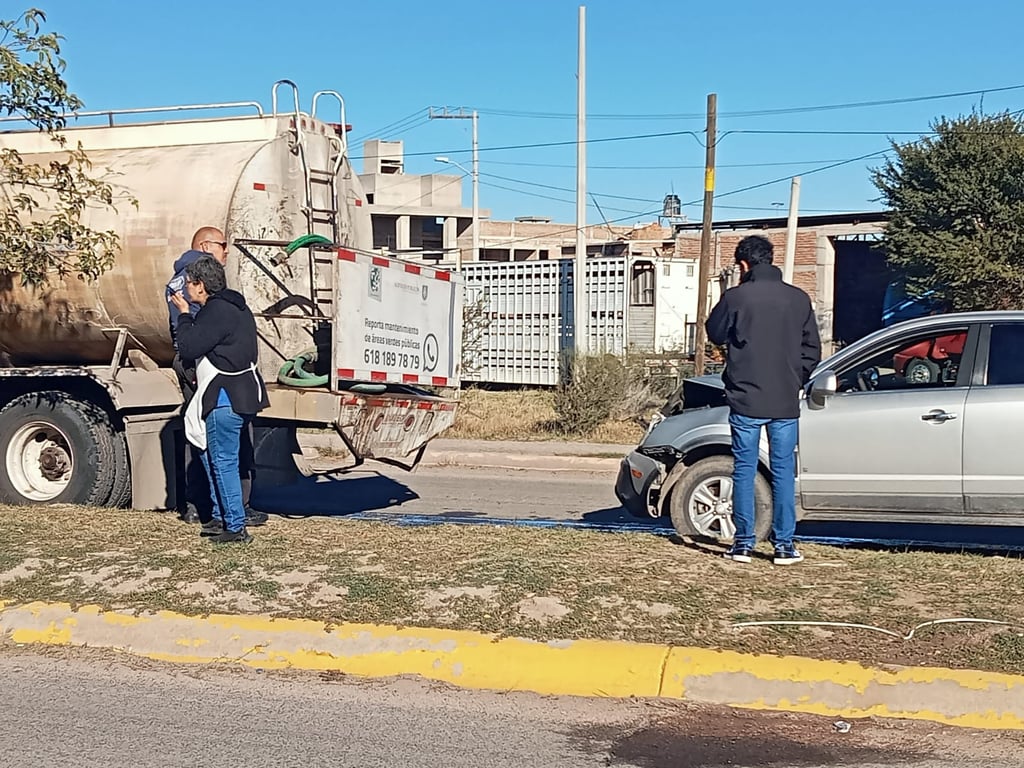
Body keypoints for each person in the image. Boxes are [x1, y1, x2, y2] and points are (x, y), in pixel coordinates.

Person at [705, 235, 821, 566]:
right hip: (784, 400)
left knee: (744, 468)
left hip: (745, 398)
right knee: (784, 470)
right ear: (771, 259)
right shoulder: (798, 298)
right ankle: (784, 545)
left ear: (743, 264)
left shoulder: (736, 297)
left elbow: (714, 332)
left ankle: (743, 543)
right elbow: (812, 349)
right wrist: (796, 378)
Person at [166, 227, 265, 532]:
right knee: (218, 456)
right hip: (238, 392)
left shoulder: (216, 312)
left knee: (221, 459)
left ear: (200, 286)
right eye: (224, 246)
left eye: (191, 285)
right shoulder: (237, 306)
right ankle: (224, 516)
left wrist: (184, 315)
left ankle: (233, 524)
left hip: (224, 394)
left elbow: (190, 345)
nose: (185, 290)